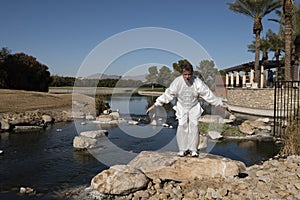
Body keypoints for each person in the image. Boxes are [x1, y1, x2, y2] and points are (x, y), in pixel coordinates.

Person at [146, 63, 231, 157]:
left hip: (194, 106)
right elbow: (168, 95)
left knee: (194, 126)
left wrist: (220, 104)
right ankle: (183, 149)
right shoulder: (177, 82)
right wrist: (155, 104)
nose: (187, 77)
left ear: (192, 73)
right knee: (182, 126)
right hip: (181, 106)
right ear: (182, 74)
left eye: (189, 74)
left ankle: (193, 149)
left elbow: (207, 94)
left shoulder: (197, 82)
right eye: (185, 75)